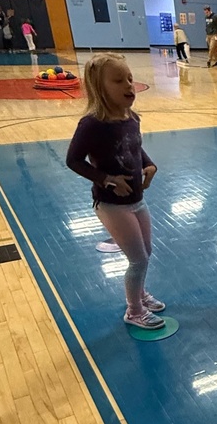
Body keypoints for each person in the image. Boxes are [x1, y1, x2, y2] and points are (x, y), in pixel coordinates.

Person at [66, 53, 165, 330]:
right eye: (119, 80)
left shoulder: (131, 117)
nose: (129, 85)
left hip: (137, 200)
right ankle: (134, 311)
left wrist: (149, 164)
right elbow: (73, 160)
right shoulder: (92, 124)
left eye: (130, 78)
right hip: (111, 205)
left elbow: (134, 147)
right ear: (100, 87)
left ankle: (140, 294)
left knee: (146, 251)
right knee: (138, 259)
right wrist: (106, 179)